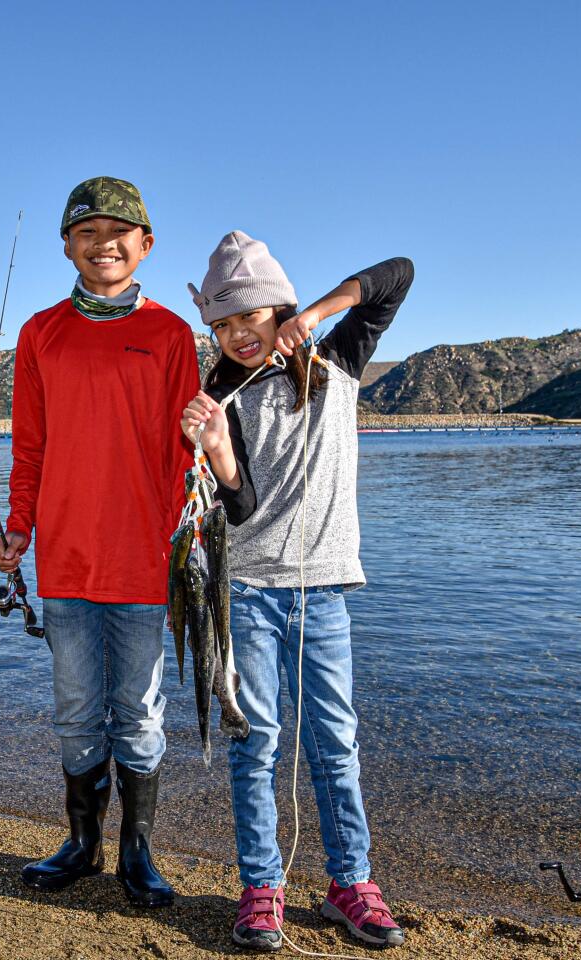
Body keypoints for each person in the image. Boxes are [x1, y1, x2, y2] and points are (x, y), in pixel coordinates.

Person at [181, 232, 413, 951]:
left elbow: (396, 276)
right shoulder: (221, 391)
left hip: (325, 593)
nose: (237, 334)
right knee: (255, 744)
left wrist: (314, 315)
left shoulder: (339, 359)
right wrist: (217, 449)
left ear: (277, 308)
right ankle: (261, 889)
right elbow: (241, 509)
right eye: (221, 325)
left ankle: (351, 883)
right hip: (246, 591)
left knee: (335, 742)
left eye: (249, 316)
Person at [0, 177, 198, 907]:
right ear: (67, 246)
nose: (102, 243)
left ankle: (138, 853)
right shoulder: (40, 332)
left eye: (119, 232)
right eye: (86, 232)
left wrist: (187, 554)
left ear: (145, 245)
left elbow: (189, 457)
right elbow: (29, 447)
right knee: (77, 709)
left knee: (139, 713)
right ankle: (82, 843)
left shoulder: (173, 334)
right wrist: (20, 527)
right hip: (67, 562)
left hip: (146, 564)